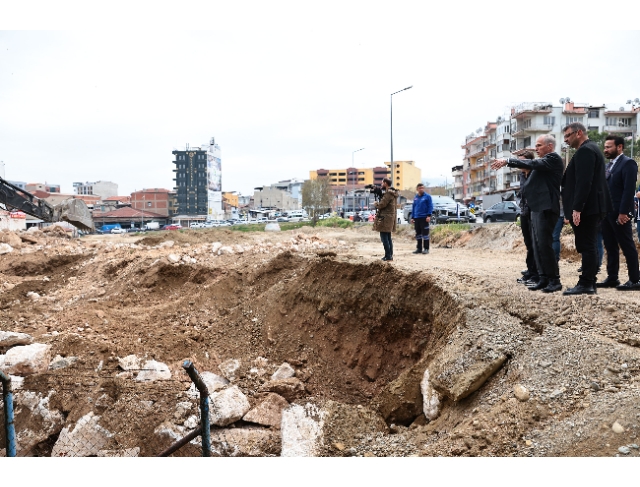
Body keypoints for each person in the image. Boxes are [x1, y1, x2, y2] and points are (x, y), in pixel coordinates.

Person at [492, 135, 564, 293]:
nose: (536, 148)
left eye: (539, 145)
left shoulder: (553, 159)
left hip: (546, 208)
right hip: (536, 208)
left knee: (545, 246)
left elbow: (532, 163)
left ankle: (554, 280)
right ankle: (543, 278)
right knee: (537, 246)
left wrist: (508, 161)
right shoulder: (544, 160)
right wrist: (533, 150)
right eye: (535, 146)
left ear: (550, 146)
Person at [561, 123, 612, 295]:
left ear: (579, 133)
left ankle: (587, 283)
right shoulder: (592, 149)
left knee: (588, 245)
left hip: (588, 207)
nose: (566, 140)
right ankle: (588, 281)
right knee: (589, 244)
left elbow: (584, 182)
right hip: (592, 206)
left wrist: (577, 208)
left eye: (568, 135)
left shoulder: (586, 151)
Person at [596, 135, 640, 290]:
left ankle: (635, 280)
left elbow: (629, 191)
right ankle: (612, 278)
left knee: (627, 245)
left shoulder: (628, 164)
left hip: (620, 214)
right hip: (607, 213)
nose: (605, 150)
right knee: (610, 246)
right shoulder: (609, 166)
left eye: (609, 147)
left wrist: (624, 213)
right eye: (605, 147)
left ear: (619, 147)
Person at [515, 151, 538, 284]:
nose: (519, 164)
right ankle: (530, 272)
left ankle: (536, 275)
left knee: (535, 245)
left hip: (534, 213)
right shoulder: (522, 175)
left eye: (522, 161)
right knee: (529, 244)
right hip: (524, 213)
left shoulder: (535, 173)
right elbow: (522, 194)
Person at [373, 178, 398, 261]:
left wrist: (376, 204)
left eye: (382, 183)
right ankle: (390, 255)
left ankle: (388, 256)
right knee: (388, 237)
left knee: (384, 237)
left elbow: (381, 205)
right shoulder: (392, 193)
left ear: (386, 183)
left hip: (385, 218)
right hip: (390, 217)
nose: (381, 185)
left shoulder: (388, 194)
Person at [410, 183, 433, 254]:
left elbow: (430, 206)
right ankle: (419, 248)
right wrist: (412, 217)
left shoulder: (427, 197)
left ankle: (426, 248)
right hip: (417, 218)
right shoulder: (416, 197)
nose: (421, 189)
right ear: (417, 189)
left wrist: (429, 216)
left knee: (425, 234)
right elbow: (414, 207)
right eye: (420, 188)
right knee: (418, 234)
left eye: (422, 188)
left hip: (424, 218)